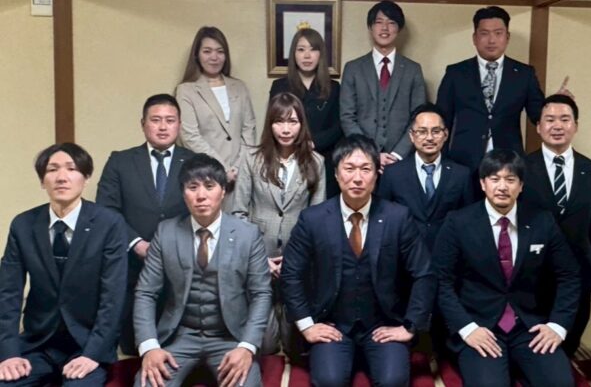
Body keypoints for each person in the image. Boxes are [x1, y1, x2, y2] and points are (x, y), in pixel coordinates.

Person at [281, 134, 435, 387]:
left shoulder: (398, 217)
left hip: (383, 324)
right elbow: (291, 273)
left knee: (394, 381)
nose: (357, 178)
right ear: (336, 174)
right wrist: (307, 325)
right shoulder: (313, 219)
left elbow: (424, 273)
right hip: (333, 324)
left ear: (376, 174)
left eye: (365, 169)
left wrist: (409, 326)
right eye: (349, 168)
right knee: (329, 380)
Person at [434, 149, 580, 387]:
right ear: (483, 184)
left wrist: (557, 325)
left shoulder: (542, 221)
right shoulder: (458, 222)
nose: (502, 186)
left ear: (521, 186)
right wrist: (467, 328)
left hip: (529, 326)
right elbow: (441, 281)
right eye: (495, 179)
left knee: (560, 383)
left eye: (510, 179)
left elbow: (570, 275)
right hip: (480, 326)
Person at [133, 153, 272, 387]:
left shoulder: (247, 235)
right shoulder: (166, 232)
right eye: (192, 187)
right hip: (179, 337)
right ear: (183, 193)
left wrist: (247, 347)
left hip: (230, 338)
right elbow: (146, 292)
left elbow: (261, 293)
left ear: (223, 191)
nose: (201, 195)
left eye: (209, 186)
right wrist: (149, 346)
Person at [0, 143, 127, 386]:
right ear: (42, 181)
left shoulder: (109, 224)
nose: (62, 177)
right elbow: (8, 293)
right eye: (52, 169)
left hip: (87, 345)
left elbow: (113, 297)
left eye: (71, 168)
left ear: (86, 178)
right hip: (37, 343)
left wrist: (93, 354)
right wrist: (8, 354)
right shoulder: (23, 225)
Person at [96, 93, 196, 355]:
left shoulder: (195, 161)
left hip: (182, 262)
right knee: (132, 347)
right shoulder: (120, 161)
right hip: (132, 264)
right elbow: (107, 210)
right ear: (143, 124)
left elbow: (204, 210)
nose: (163, 127)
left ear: (179, 124)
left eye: (170, 120)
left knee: (179, 346)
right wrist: (136, 243)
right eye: (155, 120)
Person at [232, 92, 325, 359]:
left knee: (297, 347)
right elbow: (238, 212)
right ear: (270, 124)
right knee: (266, 347)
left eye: (292, 122)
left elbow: (318, 218)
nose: (285, 129)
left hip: (297, 259)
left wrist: (295, 258)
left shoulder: (316, 161)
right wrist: (259, 257)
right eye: (279, 121)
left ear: (301, 124)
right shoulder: (251, 158)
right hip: (258, 254)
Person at [520, 94, 591, 356]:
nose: (557, 125)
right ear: (538, 127)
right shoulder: (521, 167)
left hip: (579, 266)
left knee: (571, 332)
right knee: (533, 338)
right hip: (532, 267)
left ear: (575, 126)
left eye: (565, 119)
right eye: (550, 120)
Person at [436, 6, 546, 174]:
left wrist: (557, 105)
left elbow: (538, 115)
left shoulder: (524, 74)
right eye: (484, 33)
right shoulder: (456, 73)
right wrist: (442, 161)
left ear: (507, 37)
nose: (491, 40)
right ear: (474, 38)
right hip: (463, 163)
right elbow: (442, 120)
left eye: (498, 33)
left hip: (509, 161)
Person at [339, 0, 427, 168]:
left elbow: (418, 118)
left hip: (402, 159)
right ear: (370, 27)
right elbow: (347, 116)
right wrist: (370, 153)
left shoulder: (413, 69)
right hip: (361, 158)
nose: (384, 28)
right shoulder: (353, 68)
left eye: (391, 23)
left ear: (399, 29)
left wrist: (397, 154)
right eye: (379, 22)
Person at [377, 102, 475, 251]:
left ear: (445, 134)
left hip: (448, 255)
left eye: (436, 131)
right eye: (422, 132)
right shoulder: (393, 174)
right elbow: (382, 219)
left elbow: (468, 221)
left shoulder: (461, 174)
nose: (429, 137)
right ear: (411, 135)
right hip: (404, 255)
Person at [176, 26, 256, 207]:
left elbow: (249, 130)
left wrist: (238, 167)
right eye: (207, 51)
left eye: (220, 51)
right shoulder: (186, 90)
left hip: (241, 175)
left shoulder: (239, 87)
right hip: (206, 176)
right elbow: (190, 136)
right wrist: (222, 169)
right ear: (197, 55)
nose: (214, 57)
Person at [269, 27, 342, 197]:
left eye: (313, 49)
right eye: (301, 49)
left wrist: (313, 143)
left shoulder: (334, 87)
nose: (307, 56)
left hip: (325, 158)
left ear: (320, 54)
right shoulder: (280, 86)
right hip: (288, 157)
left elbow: (339, 126)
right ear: (294, 54)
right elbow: (273, 122)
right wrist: (298, 143)